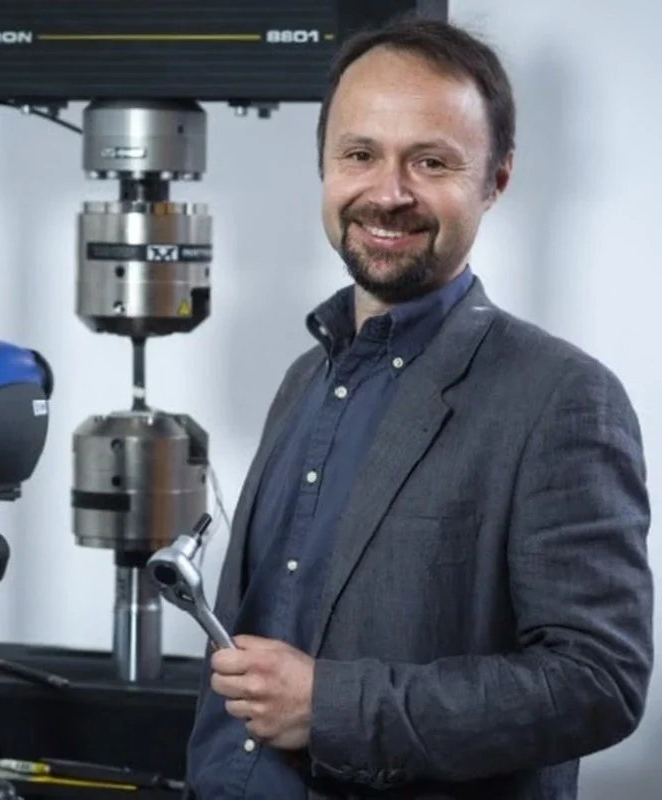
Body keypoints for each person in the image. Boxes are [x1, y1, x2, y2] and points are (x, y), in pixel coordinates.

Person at [183, 17, 654, 800]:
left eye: (431, 162)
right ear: (327, 167)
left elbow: (597, 681)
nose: (388, 193)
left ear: (495, 181)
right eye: (360, 154)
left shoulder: (564, 399)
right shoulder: (306, 375)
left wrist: (330, 706)